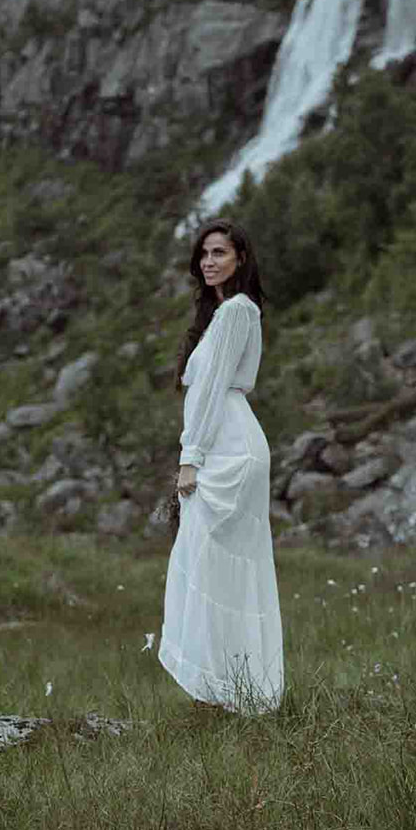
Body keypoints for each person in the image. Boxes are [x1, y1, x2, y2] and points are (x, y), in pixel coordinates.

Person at [158, 217, 284, 714]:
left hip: (230, 450)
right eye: (205, 254)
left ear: (241, 259)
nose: (209, 262)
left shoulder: (236, 311)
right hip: (226, 443)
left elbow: (210, 393)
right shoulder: (223, 314)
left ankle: (234, 692)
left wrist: (191, 458)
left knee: (217, 568)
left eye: (220, 253)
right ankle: (228, 692)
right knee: (214, 570)